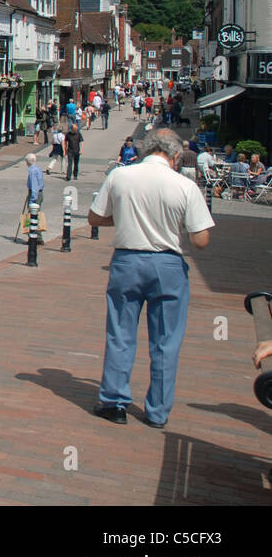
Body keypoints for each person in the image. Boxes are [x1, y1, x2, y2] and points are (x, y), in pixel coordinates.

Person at [88, 129, 214, 428]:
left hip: (128, 260)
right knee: (166, 341)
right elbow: (201, 240)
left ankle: (114, 402)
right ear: (174, 155)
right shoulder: (184, 185)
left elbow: (94, 218)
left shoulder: (120, 176)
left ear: (144, 150)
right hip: (167, 263)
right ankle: (157, 411)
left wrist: (126, 218)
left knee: (120, 332)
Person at [23, 153, 45, 242]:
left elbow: (34, 186)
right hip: (40, 193)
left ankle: (34, 237)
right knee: (36, 215)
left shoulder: (32, 171)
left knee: (32, 215)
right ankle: (38, 237)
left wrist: (32, 200)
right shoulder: (38, 168)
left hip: (35, 194)